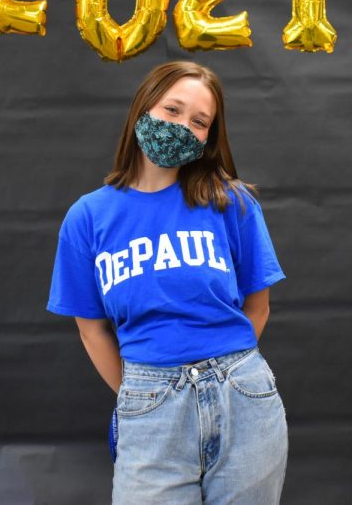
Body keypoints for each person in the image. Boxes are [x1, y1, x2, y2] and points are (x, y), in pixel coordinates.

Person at [47, 60, 288, 504]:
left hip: (245, 399)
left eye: (199, 121)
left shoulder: (231, 202)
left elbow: (259, 307)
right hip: (150, 403)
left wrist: (225, 374)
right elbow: (90, 327)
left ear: (208, 139)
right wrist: (143, 393)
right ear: (143, 107)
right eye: (172, 110)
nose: (182, 126)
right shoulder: (88, 217)